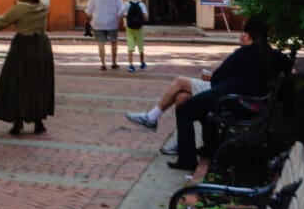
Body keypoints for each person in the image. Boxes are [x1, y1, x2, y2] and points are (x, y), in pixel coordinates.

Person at [125, 16, 291, 172]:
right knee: (183, 98)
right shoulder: (274, 56)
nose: (241, 36)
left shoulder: (244, 53)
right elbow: (288, 67)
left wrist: (216, 77)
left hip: (235, 103)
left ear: (248, 35)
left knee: (184, 109)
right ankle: (207, 147)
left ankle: (187, 159)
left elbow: (217, 77)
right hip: (252, 104)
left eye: (243, 32)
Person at [0, 0, 55, 135]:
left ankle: (17, 121)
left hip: (23, 46)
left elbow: (0, 23)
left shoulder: (19, 9)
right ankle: (38, 121)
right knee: (38, 82)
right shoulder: (44, 3)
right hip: (41, 45)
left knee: (17, 82)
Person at [85, 0, 124, 70]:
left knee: (101, 43)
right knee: (114, 42)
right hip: (112, 21)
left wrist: (88, 17)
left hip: (98, 21)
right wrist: (119, 18)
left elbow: (89, 8)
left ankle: (103, 64)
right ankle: (114, 62)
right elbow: (121, 7)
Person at [121, 0, 149, 72]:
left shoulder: (127, 4)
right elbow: (145, 16)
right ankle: (142, 62)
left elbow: (121, 14)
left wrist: (127, 17)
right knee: (141, 46)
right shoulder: (141, 4)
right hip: (139, 28)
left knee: (130, 46)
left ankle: (131, 65)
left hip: (129, 28)